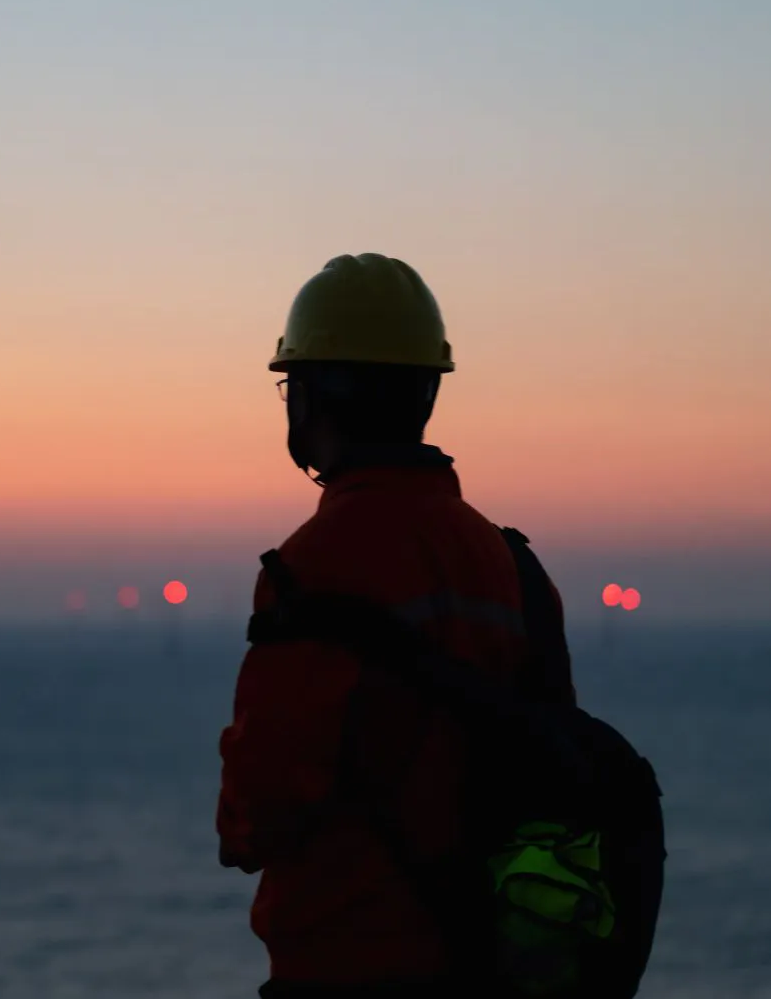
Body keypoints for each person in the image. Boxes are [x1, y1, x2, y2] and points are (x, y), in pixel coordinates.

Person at [216, 253, 578, 997]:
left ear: (314, 395)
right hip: (491, 967)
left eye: (291, 385)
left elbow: (263, 806)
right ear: (425, 394)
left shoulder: (312, 567)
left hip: (347, 964)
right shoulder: (513, 565)